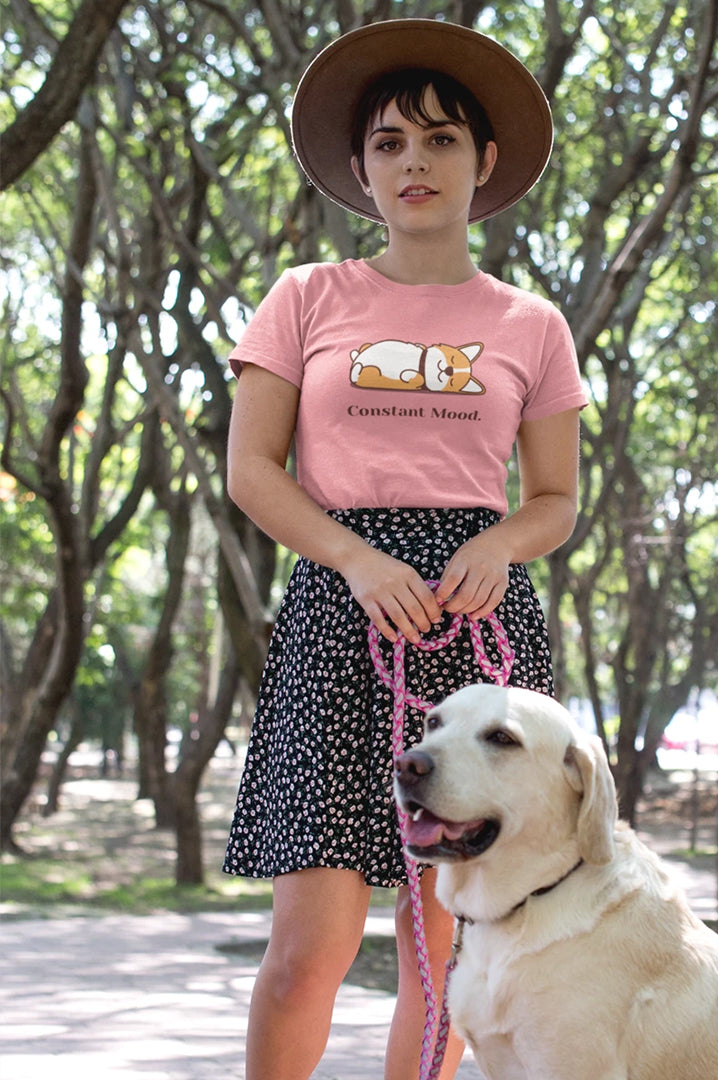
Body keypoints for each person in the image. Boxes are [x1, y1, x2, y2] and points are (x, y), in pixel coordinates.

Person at [221, 17, 587, 1080]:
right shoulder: (305, 297)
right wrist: (358, 560)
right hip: (344, 618)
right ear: (360, 170)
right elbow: (253, 472)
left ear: (486, 162)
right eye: (388, 144)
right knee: (308, 956)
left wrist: (501, 545)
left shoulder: (531, 323)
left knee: (444, 958)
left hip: (480, 641)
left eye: (437, 140)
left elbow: (556, 498)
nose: (413, 163)